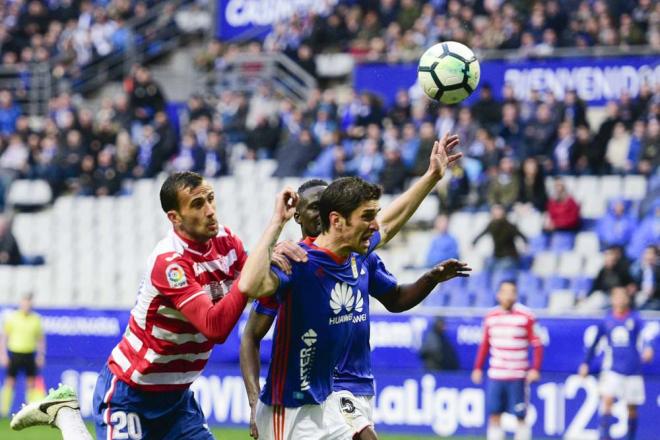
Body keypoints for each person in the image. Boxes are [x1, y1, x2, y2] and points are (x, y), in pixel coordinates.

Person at [10, 171, 304, 439]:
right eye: (198, 204)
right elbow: (216, 326)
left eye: (211, 199)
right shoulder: (170, 263)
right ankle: (66, 414)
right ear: (175, 217)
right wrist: (269, 235)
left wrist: (273, 254)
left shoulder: (226, 242)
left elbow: (256, 280)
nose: (211, 210)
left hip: (177, 400)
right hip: (131, 394)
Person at [238, 134, 467, 440]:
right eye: (367, 218)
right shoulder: (295, 262)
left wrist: (432, 176)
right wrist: (275, 229)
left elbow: (390, 223)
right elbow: (250, 289)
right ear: (337, 220)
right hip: (288, 410)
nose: (375, 226)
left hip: (329, 398)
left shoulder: (358, 254)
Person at [578, 286, 654, 440]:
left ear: (627, 299)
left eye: (622, 297)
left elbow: (646, 336)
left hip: (633, 370)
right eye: (616, 297)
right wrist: (586, 363)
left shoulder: (635, 318)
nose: (620, 300)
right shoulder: (607, 320)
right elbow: (594, 343)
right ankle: (604, 437)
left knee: (632, 408)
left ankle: (630, 437)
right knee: (607, 400)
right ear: (612, 299)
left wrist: (648, 348)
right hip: (613, 369)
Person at [471, 280, 543, 440]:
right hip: (496, 374)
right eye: (506, 292)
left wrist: (535, 368)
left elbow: (537, 344)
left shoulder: (526, 316)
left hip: (517, 375)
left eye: (513, 292)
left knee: (520, 416)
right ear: (499, 295)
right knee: (494, 415)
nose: (509, 296)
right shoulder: (491, 316)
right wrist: (477, 368)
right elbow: (484, 344)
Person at [1, 294, 45, 417]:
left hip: (29, 354)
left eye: (28, 303)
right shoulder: (13, 318)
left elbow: (40, 339)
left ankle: (29, 411)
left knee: (31, 383)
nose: (26, 306)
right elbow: (4, 337)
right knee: (10, 381)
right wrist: (3, 354)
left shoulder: (35, 319)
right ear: (21, 304)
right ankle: (4, 412)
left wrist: (40, 355)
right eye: (24, 303)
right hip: (15, 353)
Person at [472, 204, 527, 273]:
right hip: (497, 257)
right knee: (486, 270)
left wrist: (526, 245)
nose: (496, 214)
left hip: (509, 257)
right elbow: (481, 234)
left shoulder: (509, 225)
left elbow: (522, 236)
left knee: (500, 270)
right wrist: (474, 242)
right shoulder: (491, 225)